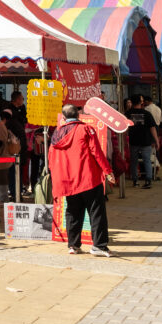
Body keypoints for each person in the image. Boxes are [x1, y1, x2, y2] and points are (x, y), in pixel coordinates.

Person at [47, 103, 115, 257]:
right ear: (78, 115)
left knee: (72, 211)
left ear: (64, 117)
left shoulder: (57, 134)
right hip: (87, 177)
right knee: (96, 212)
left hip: (67, 180)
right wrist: (108, 171)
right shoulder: (86, 129)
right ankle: (99, 246)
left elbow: (51, 158)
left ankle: (73, 245)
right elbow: (97, 152)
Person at [124, 99, 158, 190]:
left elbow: (125, 128)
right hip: (146, 141)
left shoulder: (128, 114)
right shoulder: (147, 114)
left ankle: (135, 180)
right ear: (141, 103)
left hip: (133, 141)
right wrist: (156, 140)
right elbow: (152, 128)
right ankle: (148, 180)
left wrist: (124, 140)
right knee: (147, 160)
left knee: (134, 161)